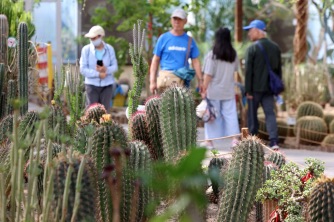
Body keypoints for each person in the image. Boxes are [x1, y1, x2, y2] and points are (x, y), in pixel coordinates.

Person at [243, 20, 282, 150]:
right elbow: (278, 70)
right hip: (270, 89)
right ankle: (274, 141)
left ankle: (253, 141)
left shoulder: (252, 48)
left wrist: (247, 90)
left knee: (252, 115)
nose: (249, 34)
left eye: (250, 30)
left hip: (254, 90)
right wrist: (277, 89)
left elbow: (248, 72)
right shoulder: (275, 47)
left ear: (257, 30)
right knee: (270, 113)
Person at [200, 27, 240, 149]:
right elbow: (235, 71)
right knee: (231, 115)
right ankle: (235, 140)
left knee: (212, 116)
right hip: (228, 90)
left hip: (214, 91)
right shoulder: (233, 55)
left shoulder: (213, 55)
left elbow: (208, 74)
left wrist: (204, 88)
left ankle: (210, 142)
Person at [149, 8, 203, 93]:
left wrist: (200, 81)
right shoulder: (163, 38)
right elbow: (155, 61)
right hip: (165, 82)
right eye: (175, 19)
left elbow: (195, 62)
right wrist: (152, 82)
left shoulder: (189, 41)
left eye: (180, 19)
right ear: (171, 20)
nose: (177, 21)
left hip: (182, 83)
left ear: (185, 21)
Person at [80, 25, 118, 113]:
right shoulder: (86, 50)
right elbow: (82, 69)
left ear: (100, 36)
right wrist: (98, 74)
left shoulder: (109, 49)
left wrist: (106, 70)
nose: (92, 40)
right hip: (91, 86)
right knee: (91, 113)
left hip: (107, 85)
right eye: (91, 38)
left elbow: (115, 67)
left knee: (105, 113)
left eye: (94, 38)